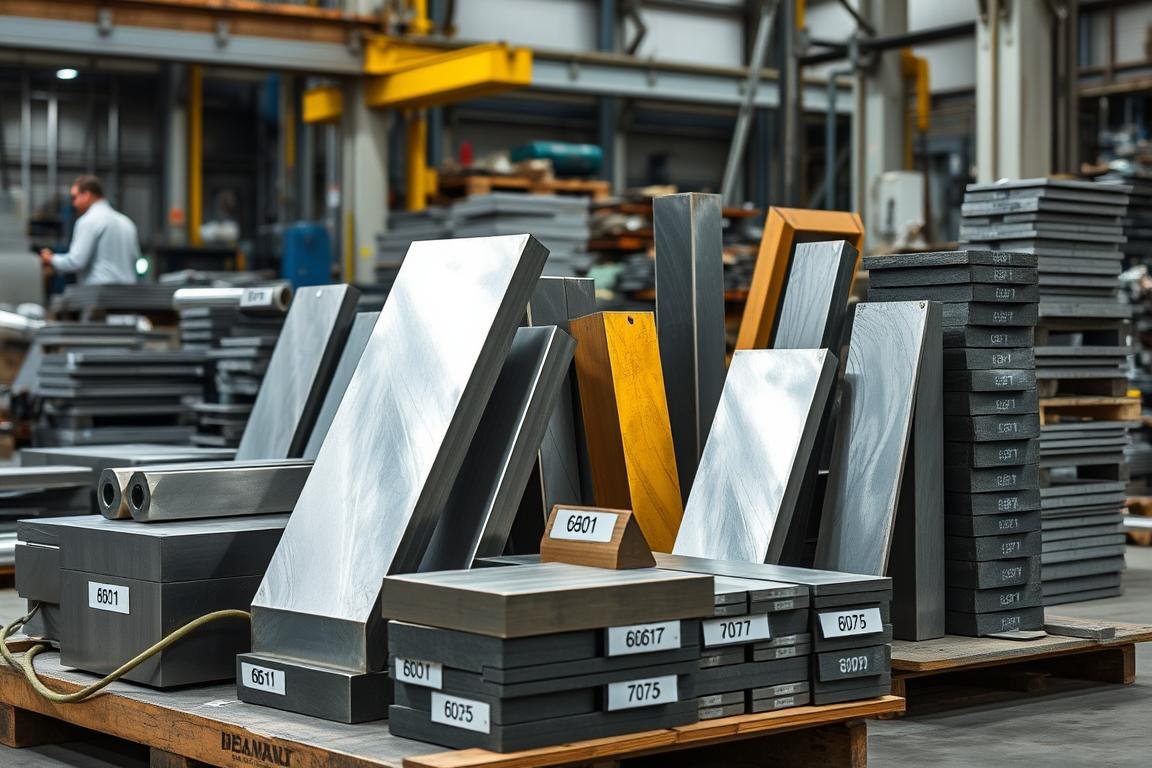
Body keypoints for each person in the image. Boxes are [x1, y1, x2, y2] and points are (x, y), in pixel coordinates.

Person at [39, 175, 140, 285]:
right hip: (128, 296)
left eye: (74, 197)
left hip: (99, 295)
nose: (73, 204)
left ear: (86, 195)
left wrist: (51, 259)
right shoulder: (127, 222)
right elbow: (135, 259)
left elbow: (76, 262)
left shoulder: (88, 221)